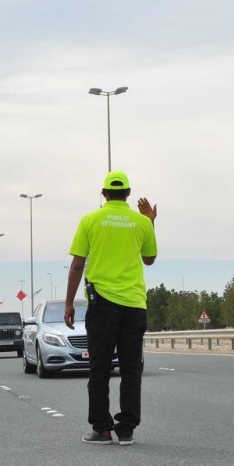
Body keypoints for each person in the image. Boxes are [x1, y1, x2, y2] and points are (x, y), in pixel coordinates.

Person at [63, 170, 158, 445]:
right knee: (130, 369)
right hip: (134, 305)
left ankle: (102, 429)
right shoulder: (141, 222)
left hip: (102, 304)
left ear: (103, 194)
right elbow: (149, 259)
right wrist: (150, 222)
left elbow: (78, 264)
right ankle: (126, 430)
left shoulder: (90, 220)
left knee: (100, 368)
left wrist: (69, 304)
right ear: (128, 193)